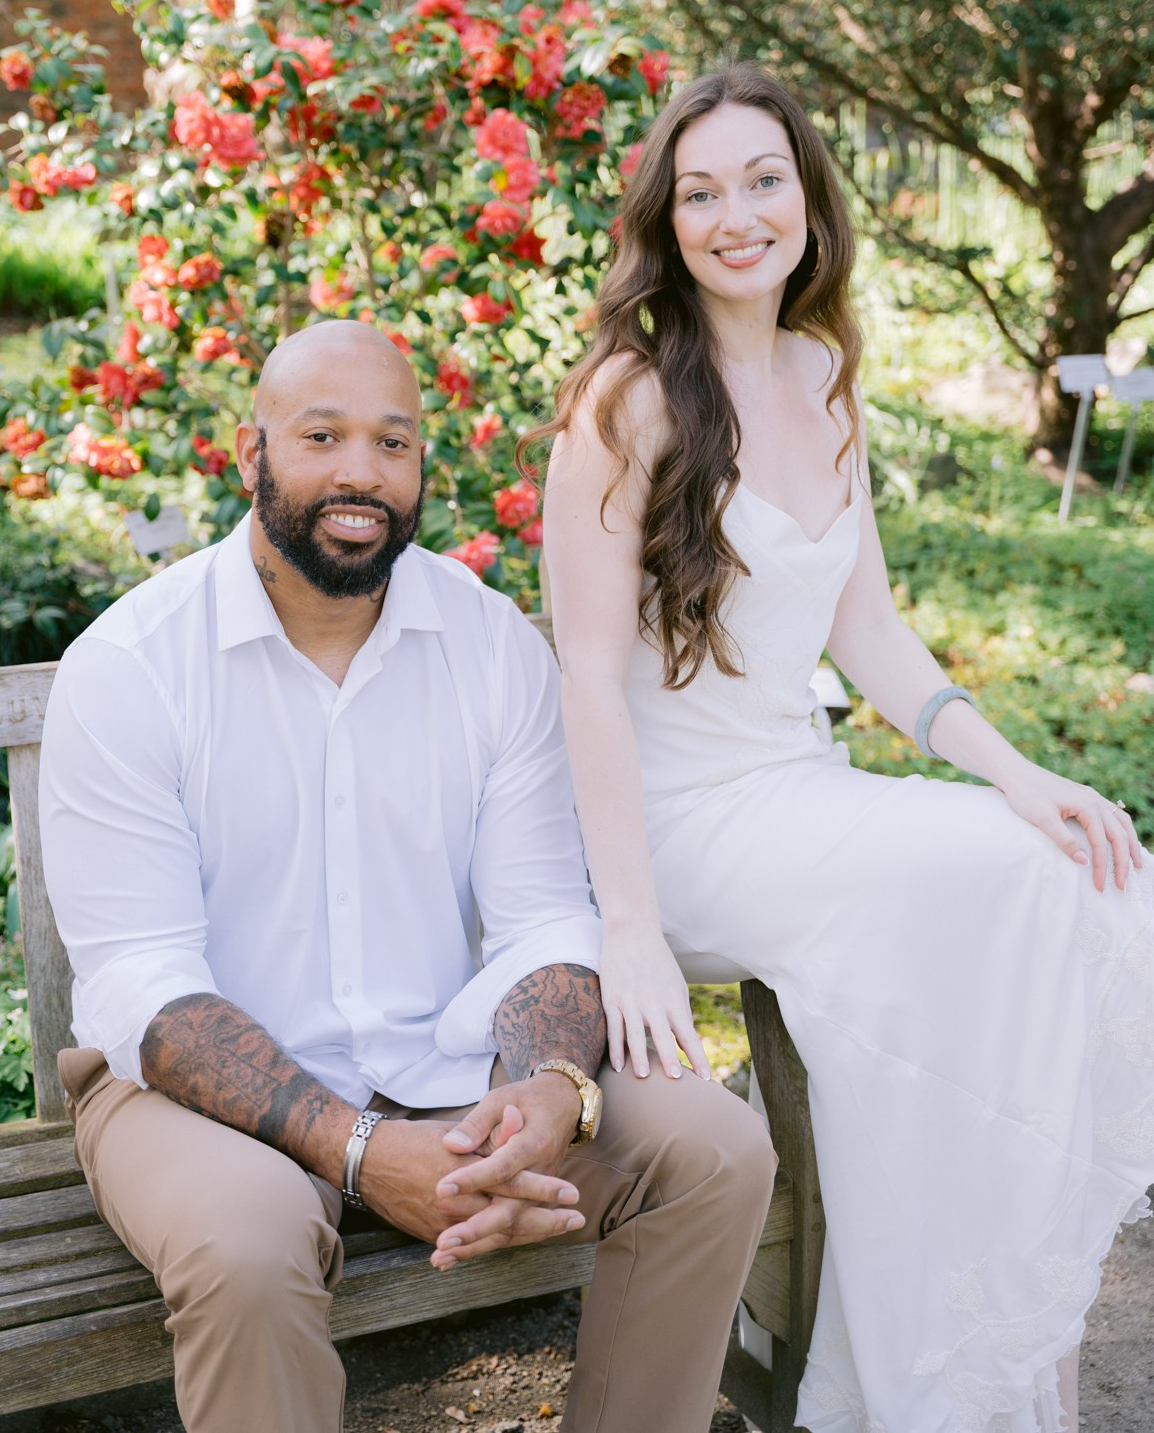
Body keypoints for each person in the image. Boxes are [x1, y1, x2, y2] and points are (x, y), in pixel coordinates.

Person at [535, 62, 1154, 1433]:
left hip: (801, 795)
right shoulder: (624, 402)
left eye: (764, 180)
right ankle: (955, 1372)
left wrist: (1016, 768)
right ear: (667, 218)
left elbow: (868, 629)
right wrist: (627, 929)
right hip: (676, 829)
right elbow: (584, 675)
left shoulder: (826, 375)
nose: (734, 213)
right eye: (700, 190)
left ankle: (1007, 1344)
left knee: (1070, 869)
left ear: (810, 200)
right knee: (1000, 885)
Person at [39, 318, 776, 1433]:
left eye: (393, 443)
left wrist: (544, 1092)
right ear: (252, 455)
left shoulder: (487, 648)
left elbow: (544, 921)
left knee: (713, 1149)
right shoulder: (133, 669)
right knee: (245, 1248)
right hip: (190, 1095)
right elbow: (145, 987)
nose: (360, 473)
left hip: (445, 1066)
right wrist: (360, 1151)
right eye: (322, 435)